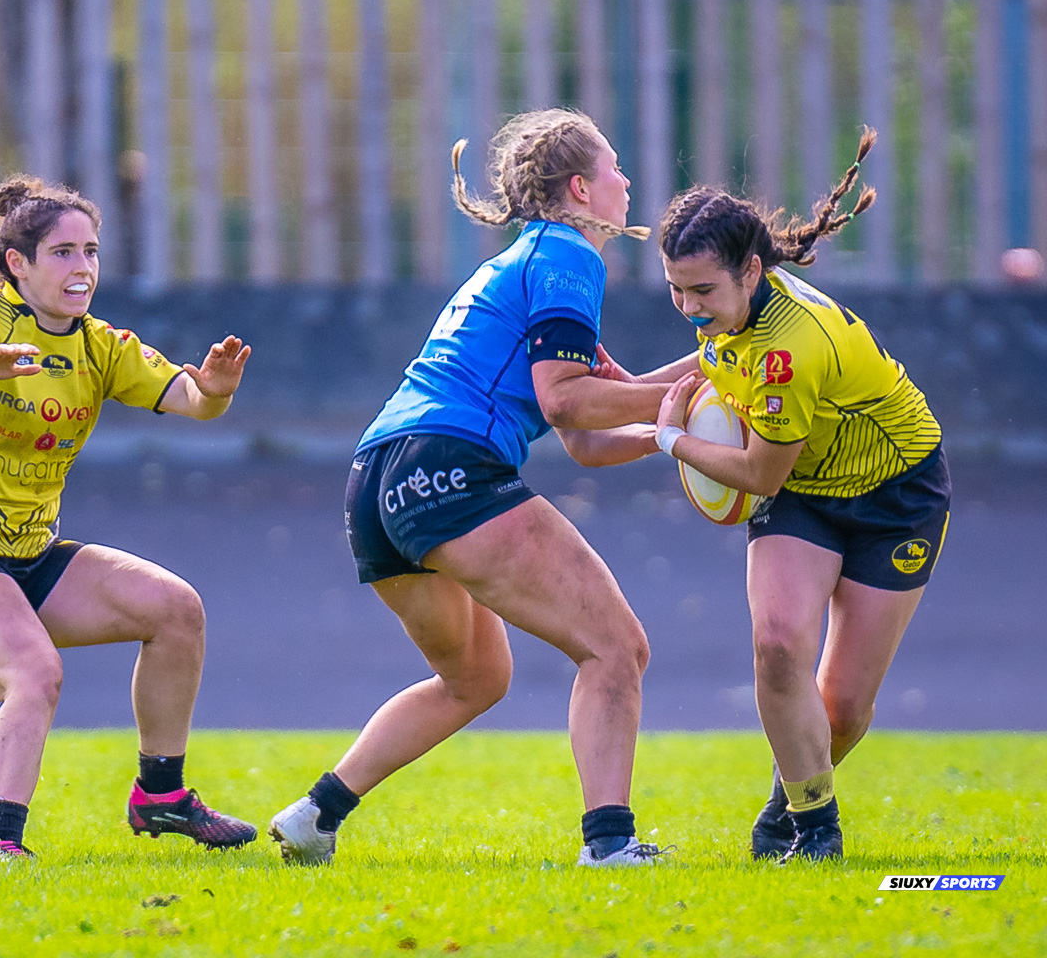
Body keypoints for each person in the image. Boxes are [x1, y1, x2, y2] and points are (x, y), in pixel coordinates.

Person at [269, 108, 677, 868]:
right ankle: (610, 846)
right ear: (583, 188)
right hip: (450, 468)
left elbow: (586, 439)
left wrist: (678, 419)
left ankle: (314, 814)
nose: (628, 182)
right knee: (616, 648)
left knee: (475, 678)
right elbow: (565, 400)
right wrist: (689, 395)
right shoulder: (570, 258)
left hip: (376, 481)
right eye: (616, 166)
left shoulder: (521, 261)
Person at [0, 174, 258, 861]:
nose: (83, 267)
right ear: (16, 264)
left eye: (90, 251)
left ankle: (162, 798)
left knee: (176, 610)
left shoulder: (101, 346)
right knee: (35, 672)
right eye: (62, 252)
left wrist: (213, 391)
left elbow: (189, 399)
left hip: (31, 556)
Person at [623, 128, 945, 863]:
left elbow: (758, 473)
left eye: (702, 290)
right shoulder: (735, 310)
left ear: (752, 271)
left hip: (896, 494)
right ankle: (816, 836)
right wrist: (631, 391)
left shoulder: (788, 349)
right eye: (674, 288)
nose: (688, 306)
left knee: (845, 708)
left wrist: (667, 439)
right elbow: (713, 352)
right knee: (776, 647)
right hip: (805, 492)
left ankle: (783, 809)